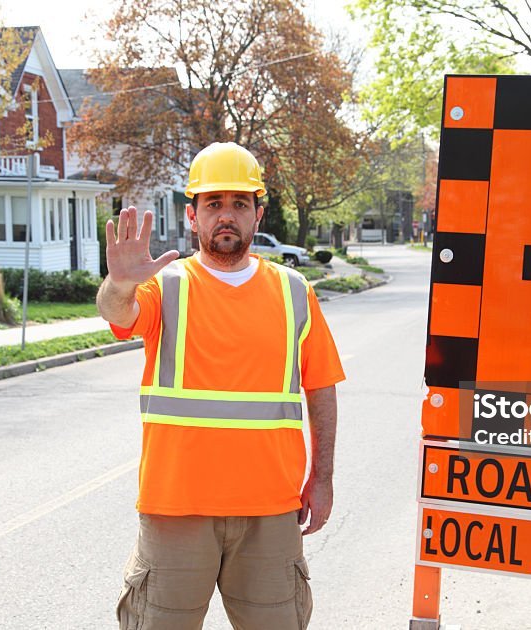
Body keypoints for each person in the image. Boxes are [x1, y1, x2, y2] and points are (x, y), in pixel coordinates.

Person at [96, 142, 345, 630]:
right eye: (213, 204)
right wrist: (120, 282)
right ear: (192, 216)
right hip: (175, 511)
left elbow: (321, 388)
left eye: (238, 204)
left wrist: (323, 478)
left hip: (271, 513)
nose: (225, 216)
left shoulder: (294, 291)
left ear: (258, 214)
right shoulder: (164, 286)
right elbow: (117, 312)